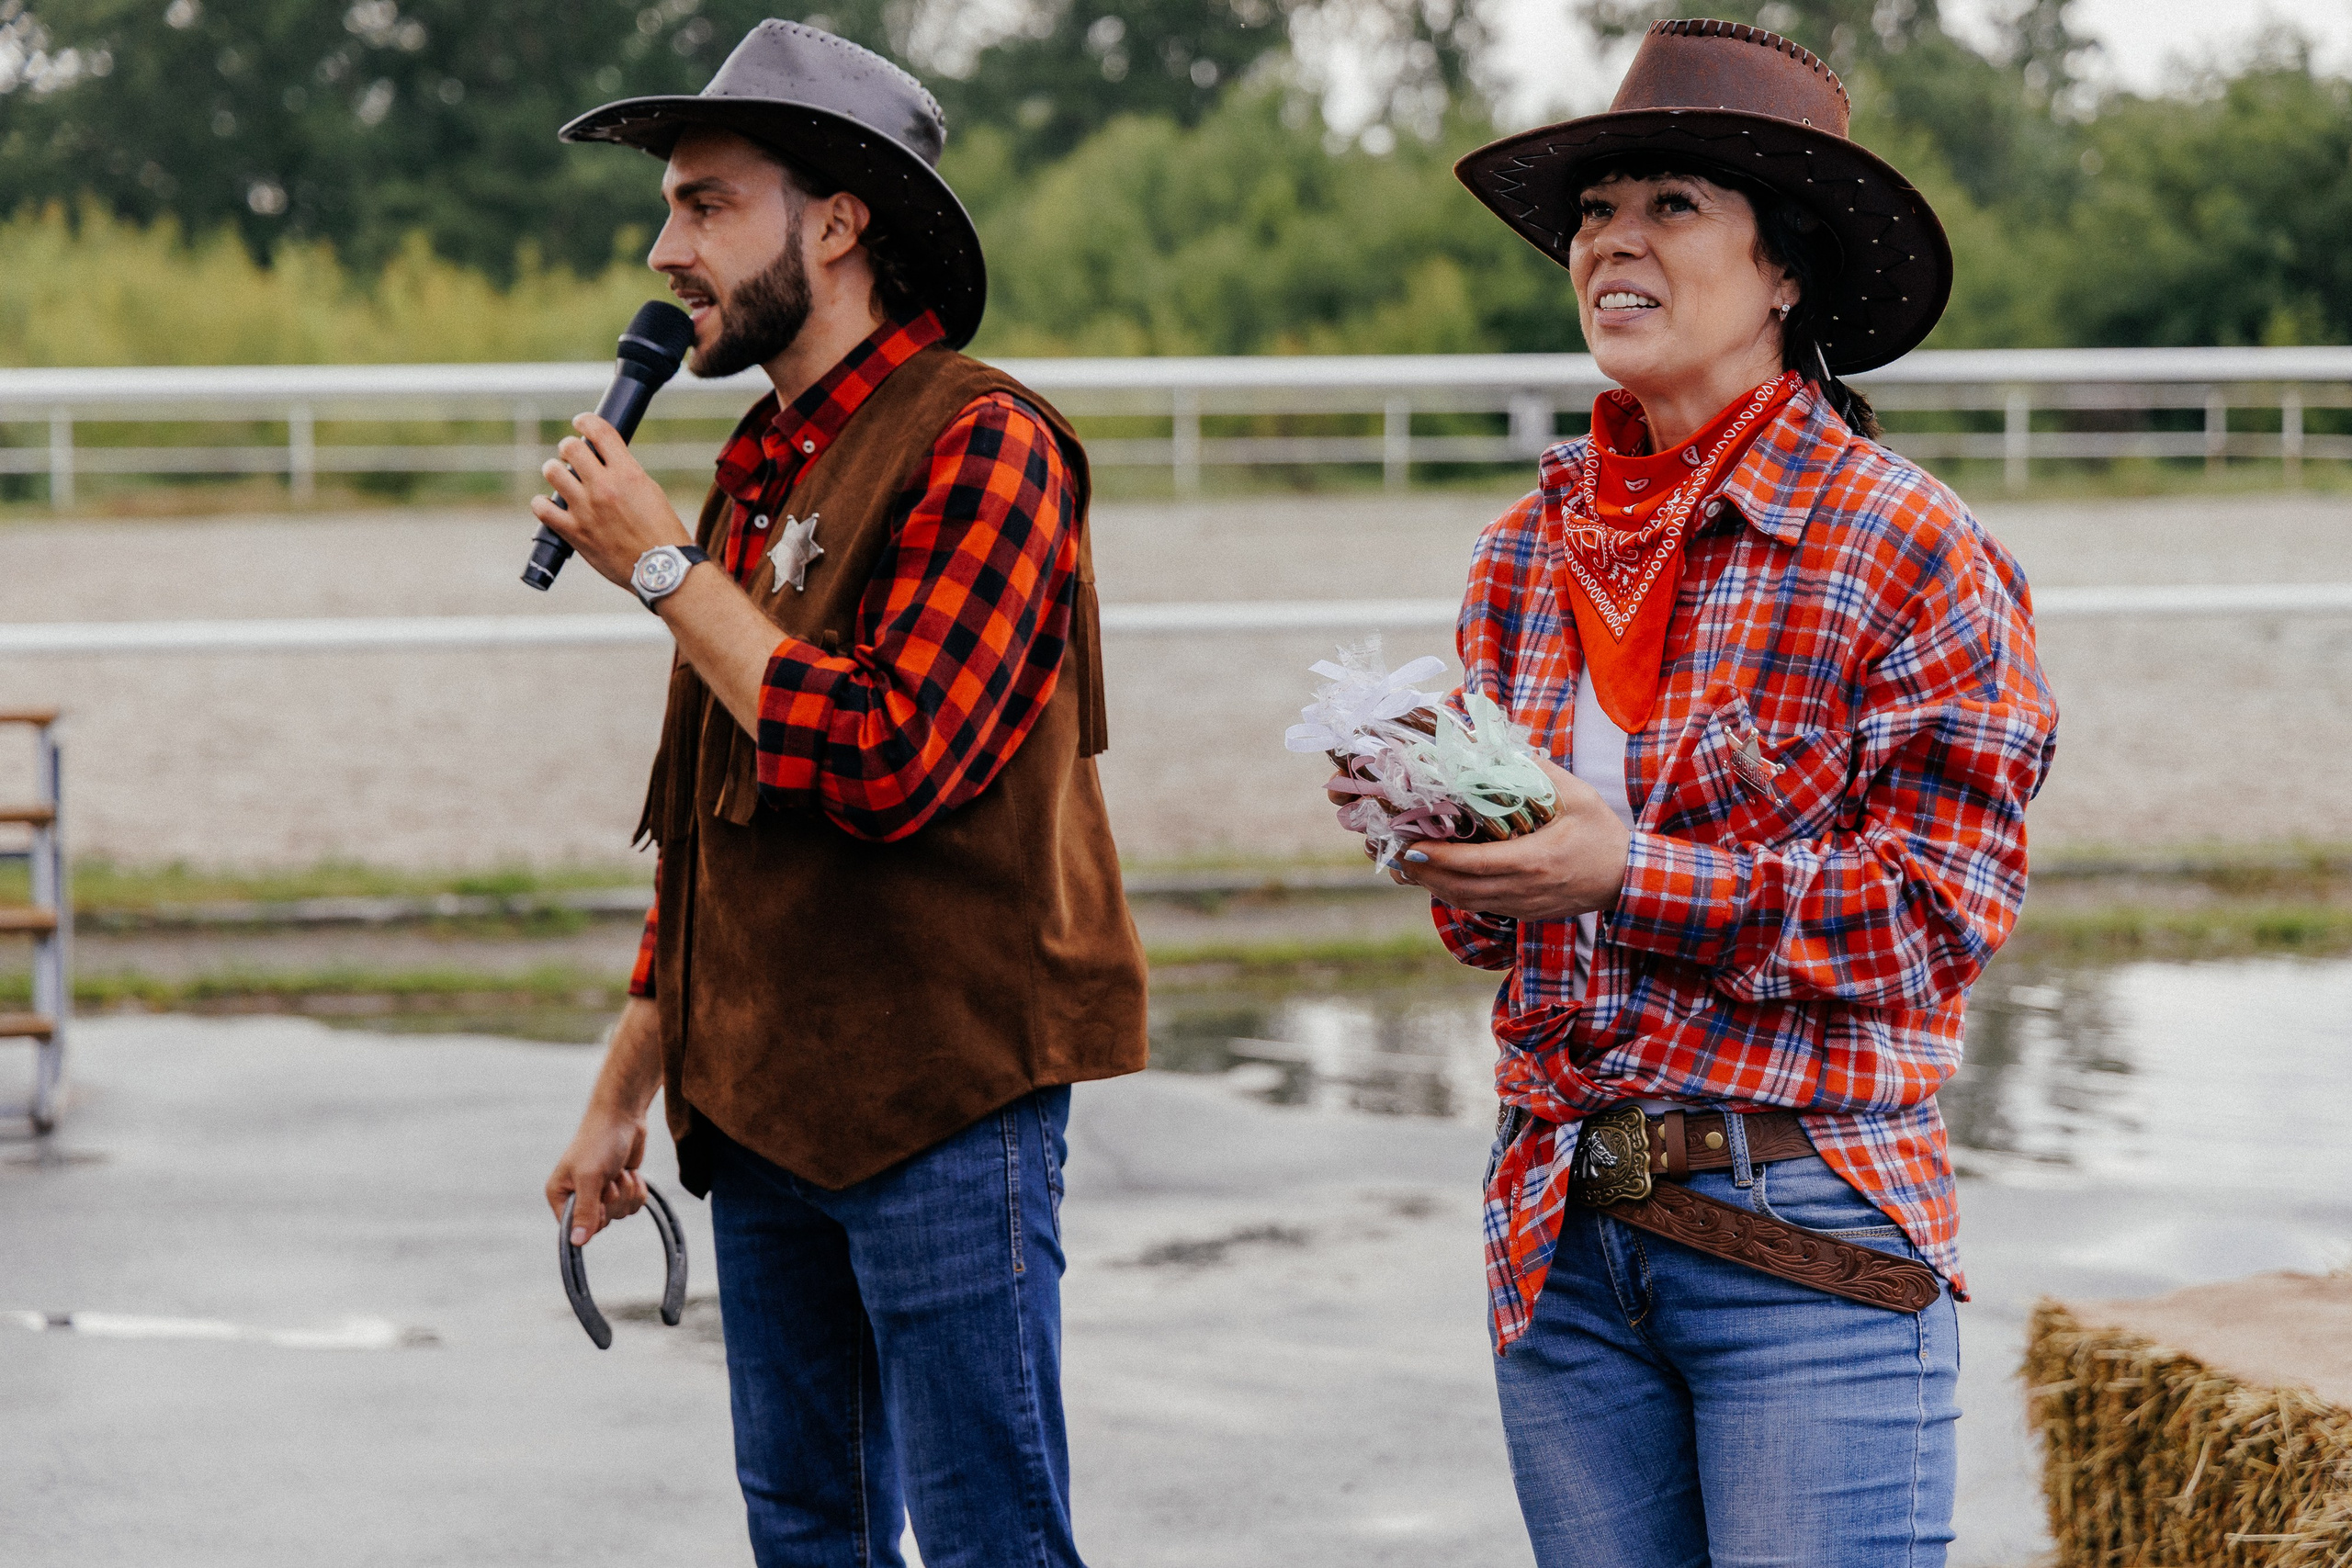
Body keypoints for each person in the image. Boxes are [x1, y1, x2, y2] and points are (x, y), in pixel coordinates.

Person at [1363, 20, 2058, 1567]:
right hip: (1561, 1230)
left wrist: (1626, 872)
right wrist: (1454, 849)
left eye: (1673, 204)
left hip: (1805, 1235)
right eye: (1599, 209)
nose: (1614, 236)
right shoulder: (1525, 557)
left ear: (1785, 272)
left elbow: (1939, 921)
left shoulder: (1905, 544)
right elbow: (1507, 950)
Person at [536, 22, 1148, 1567]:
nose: (666, 247)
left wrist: (667, 570)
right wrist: (627, 1084)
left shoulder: (986, 442)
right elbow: (711, 815)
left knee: (989, 1538)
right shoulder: (758, 464)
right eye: (669, 208)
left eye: (706, 203)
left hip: (945, 1100)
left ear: (837, 220)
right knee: (806, 1530)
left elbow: (885, 757)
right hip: (760, 1101)